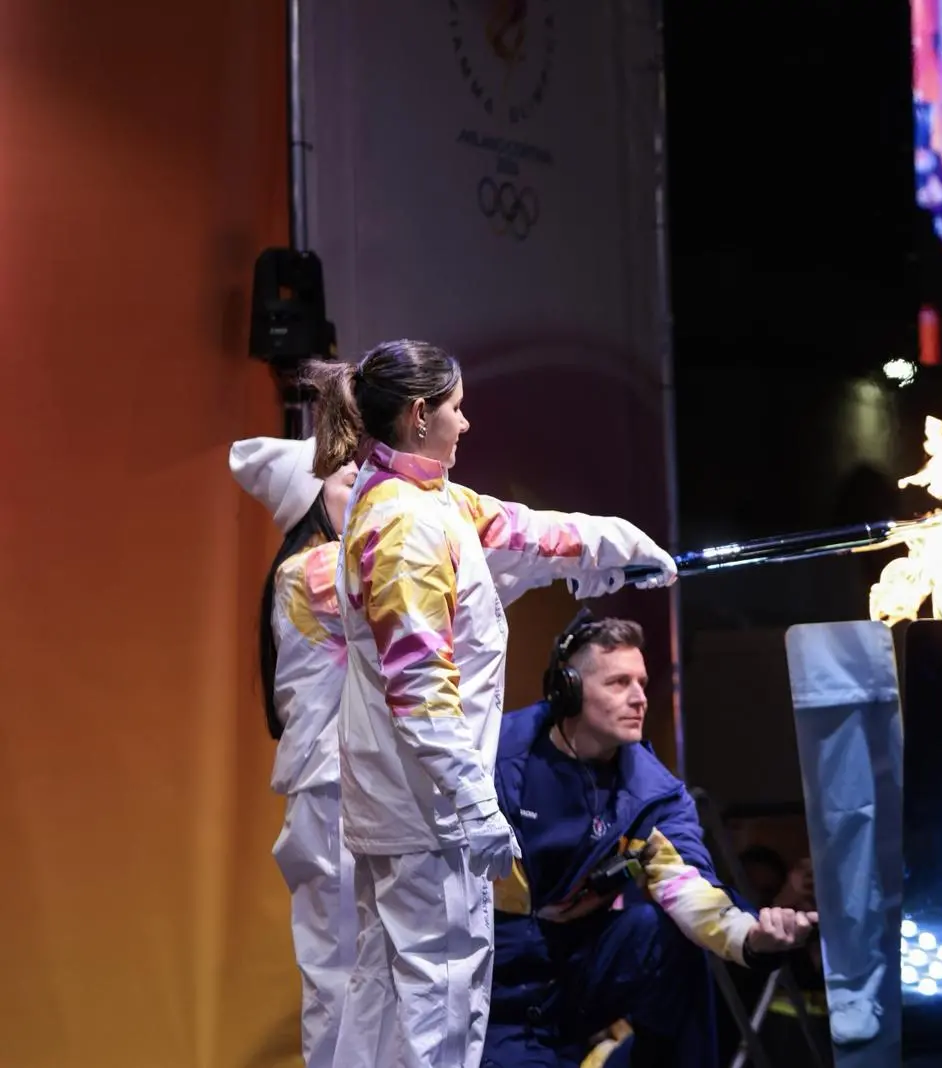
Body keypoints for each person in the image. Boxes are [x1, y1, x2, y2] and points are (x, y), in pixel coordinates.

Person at [305, 340, 678, 1068]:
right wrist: (476, 806)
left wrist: (615, 547)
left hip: (407, 805)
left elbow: (524, 532)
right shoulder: (406, 525)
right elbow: (420, 688)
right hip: (428, 814)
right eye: (455, 408)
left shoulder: (419, 498)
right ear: (419, 416)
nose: (466, 423)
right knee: (439, 1010)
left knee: (386, 998)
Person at [487, 614, 816, 1067]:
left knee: (664, 934)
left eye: (641, 682)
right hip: (488, 983)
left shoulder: (651, 795)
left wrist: (751, 936)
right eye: (619, 682)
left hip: (572, 978)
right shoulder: (490, 760)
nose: (640, 697)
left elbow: (688, 887)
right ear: (568, 689)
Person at [228, 435, 359, 1068]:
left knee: (363, 986)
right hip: (333, 799)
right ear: (312, 503)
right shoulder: (310, 572)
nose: (368, 495)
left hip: (349, 795)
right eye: (347, 483)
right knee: (341, 988)